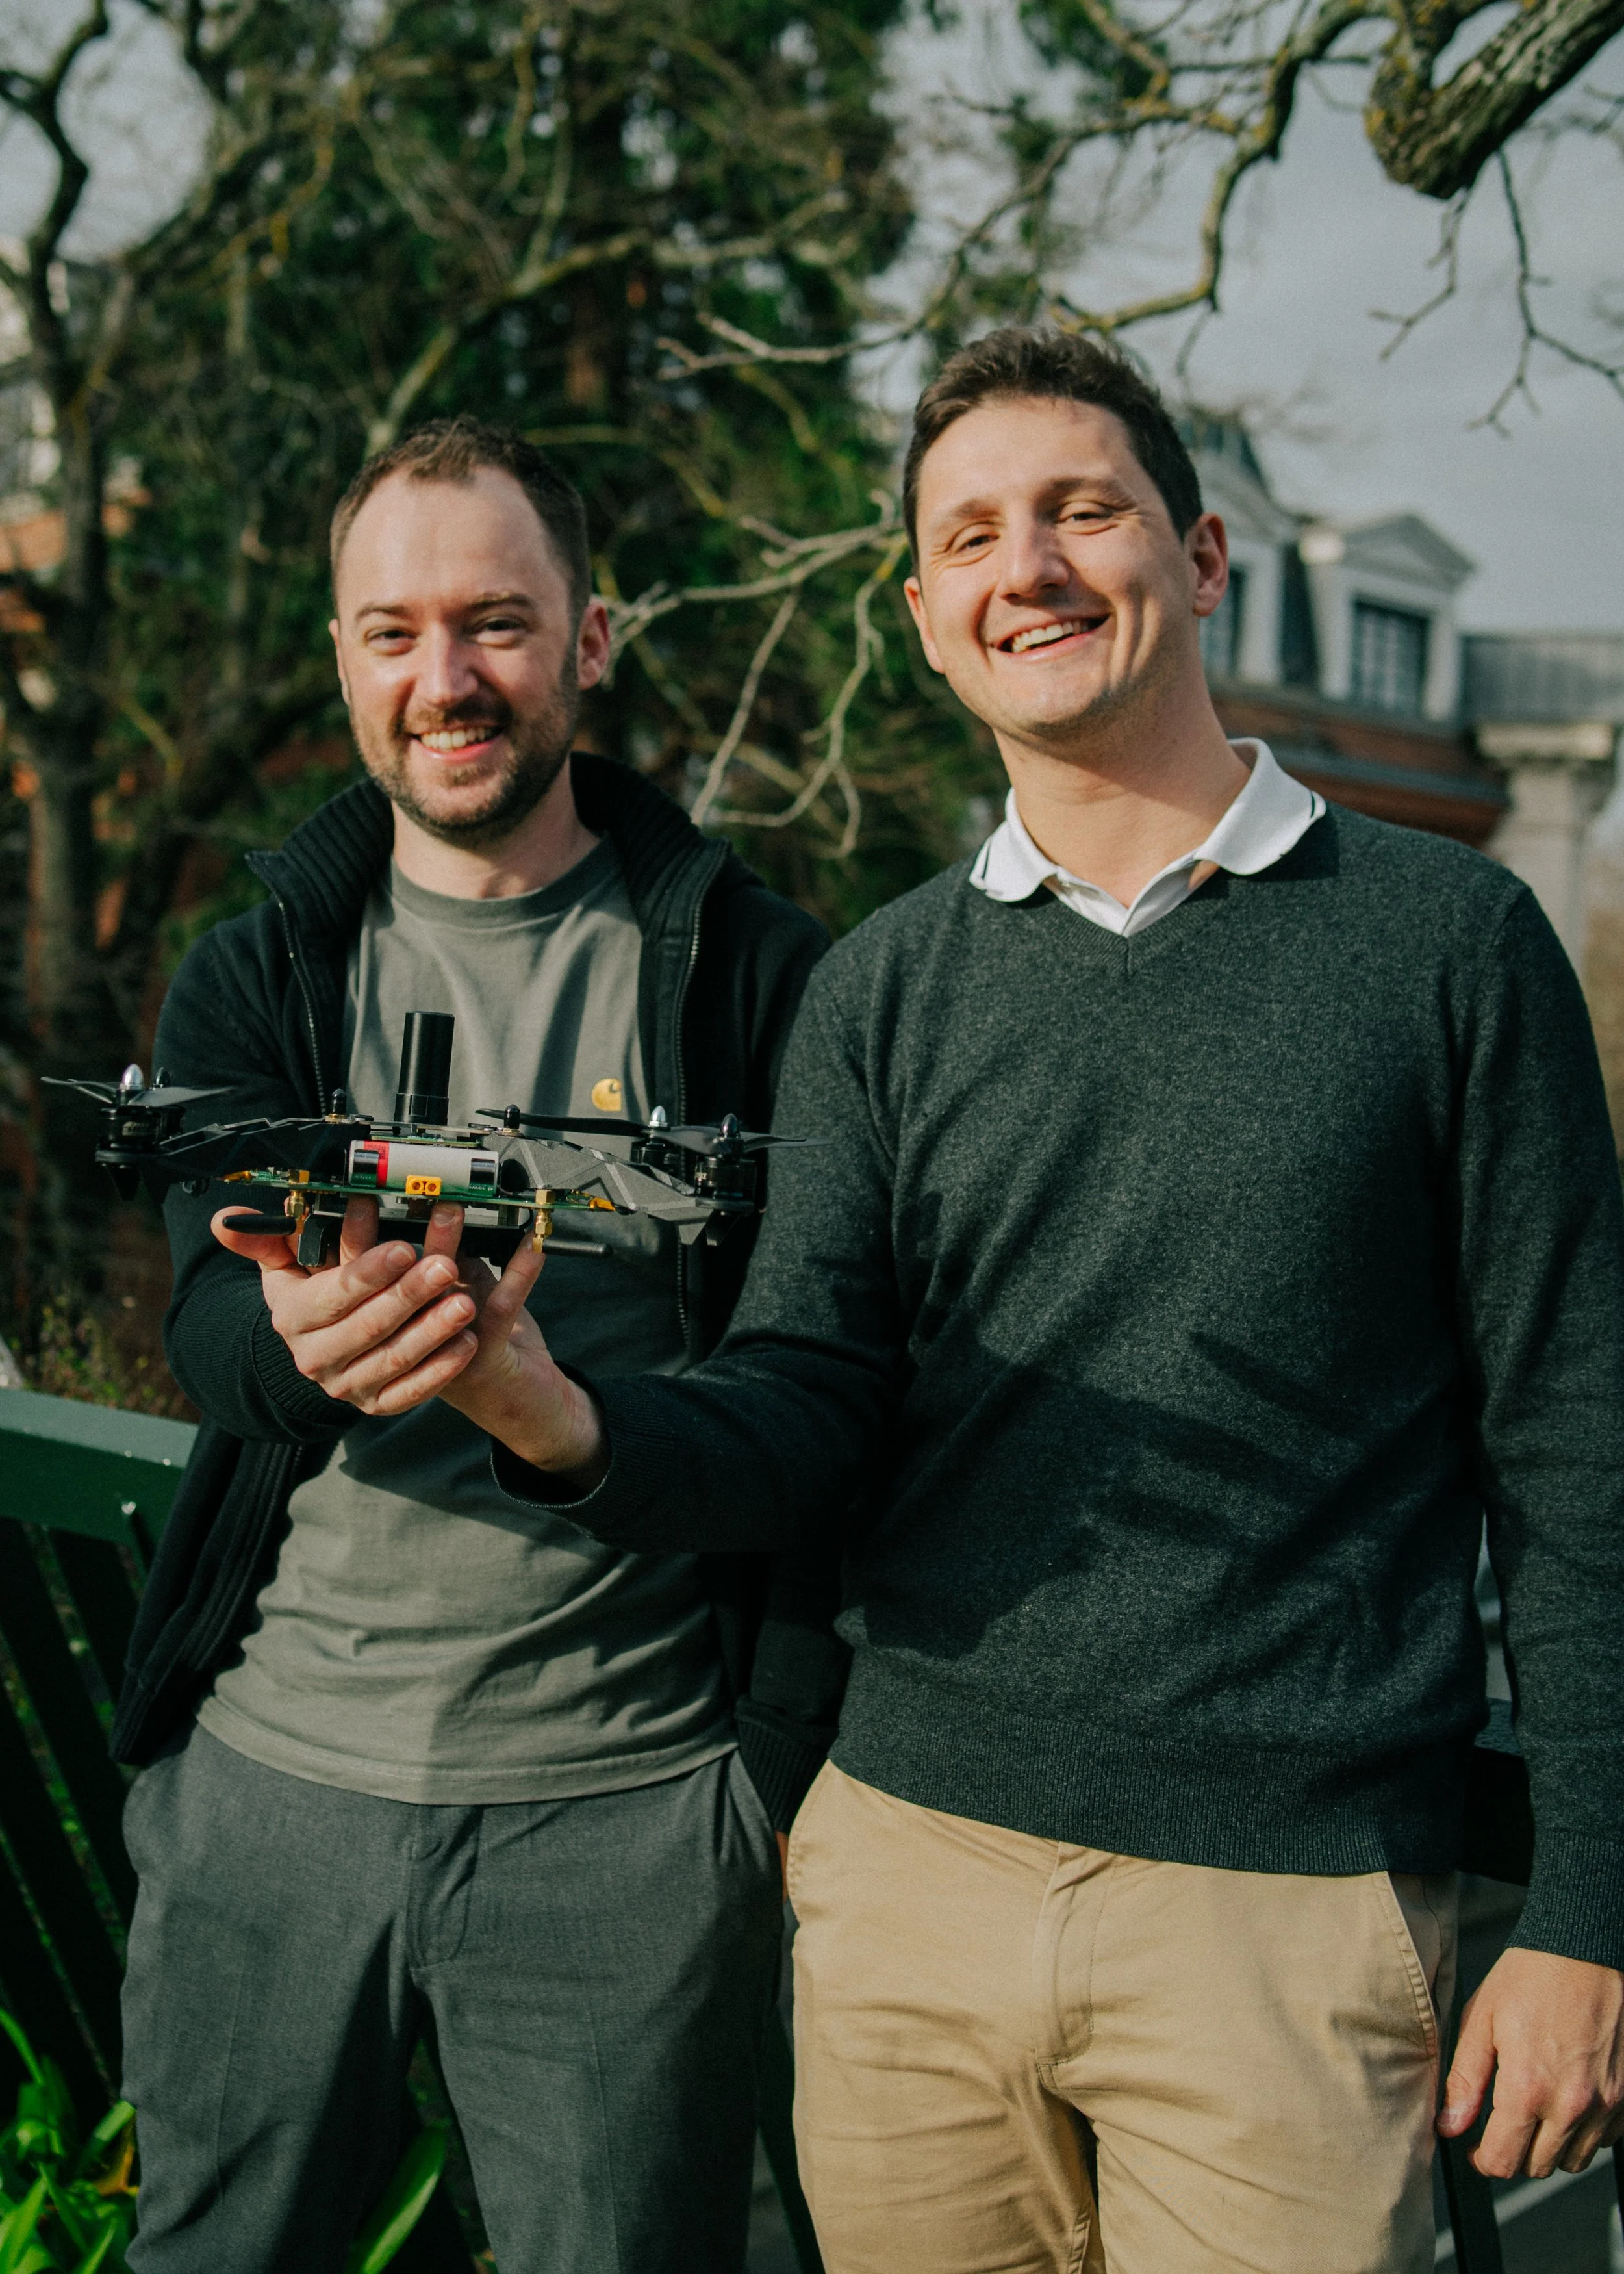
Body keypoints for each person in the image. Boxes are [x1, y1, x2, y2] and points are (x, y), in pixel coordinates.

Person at [355, 333, 1624, 2274]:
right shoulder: (879, 989)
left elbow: (1576, 1441)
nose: (1023, 566)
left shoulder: (1452, 943)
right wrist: (550, 1411)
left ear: (1202, 558)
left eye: (1079, 511)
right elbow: (807, 1395)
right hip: (906, 1886)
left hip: (1282, 1917)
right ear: (925, 621)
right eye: (967, 536)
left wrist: (1590, 1910)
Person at [114, 416, 842, 2274]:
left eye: (495, 623)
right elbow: (206, 1319)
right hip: (268, 1787)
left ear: (589, 639)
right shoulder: (258, 966)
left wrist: (564, 1428)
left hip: (631, 1813)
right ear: (344, 656)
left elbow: (820, 1407)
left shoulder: (762, 978)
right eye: (393, 631)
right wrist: (293, 1339)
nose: (443, 678)